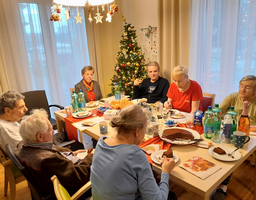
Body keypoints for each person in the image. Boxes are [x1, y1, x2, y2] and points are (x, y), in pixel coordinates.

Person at [90, 105, 177, 200]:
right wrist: (165, 172)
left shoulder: (101, 142)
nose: (144, 134)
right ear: (137, 131)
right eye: (145, 130)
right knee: (170, 195)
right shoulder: (135, 154)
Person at [15, 109, 93, 199]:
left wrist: (72, 153)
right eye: (50, 130)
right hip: (74, 189)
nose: (53, 132)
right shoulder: (47, 160)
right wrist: (90, 157)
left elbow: (51, 148)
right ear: (40, 137)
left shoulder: (23, 145)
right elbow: (80, 177)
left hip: (56, 180)